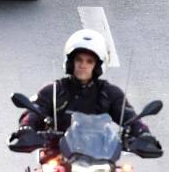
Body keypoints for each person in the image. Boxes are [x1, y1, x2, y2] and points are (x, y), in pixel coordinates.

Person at [11, 30, 161, 158]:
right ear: (71, 62)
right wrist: (26, 128)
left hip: (102, 157)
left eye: (89, 61)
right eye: (79, 60)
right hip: (58, 154)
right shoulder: (54, 90)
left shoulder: (109, 93)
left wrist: (143, 134)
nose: (83, 65)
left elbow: (130, 118)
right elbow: (33, 112)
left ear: (97, 66)